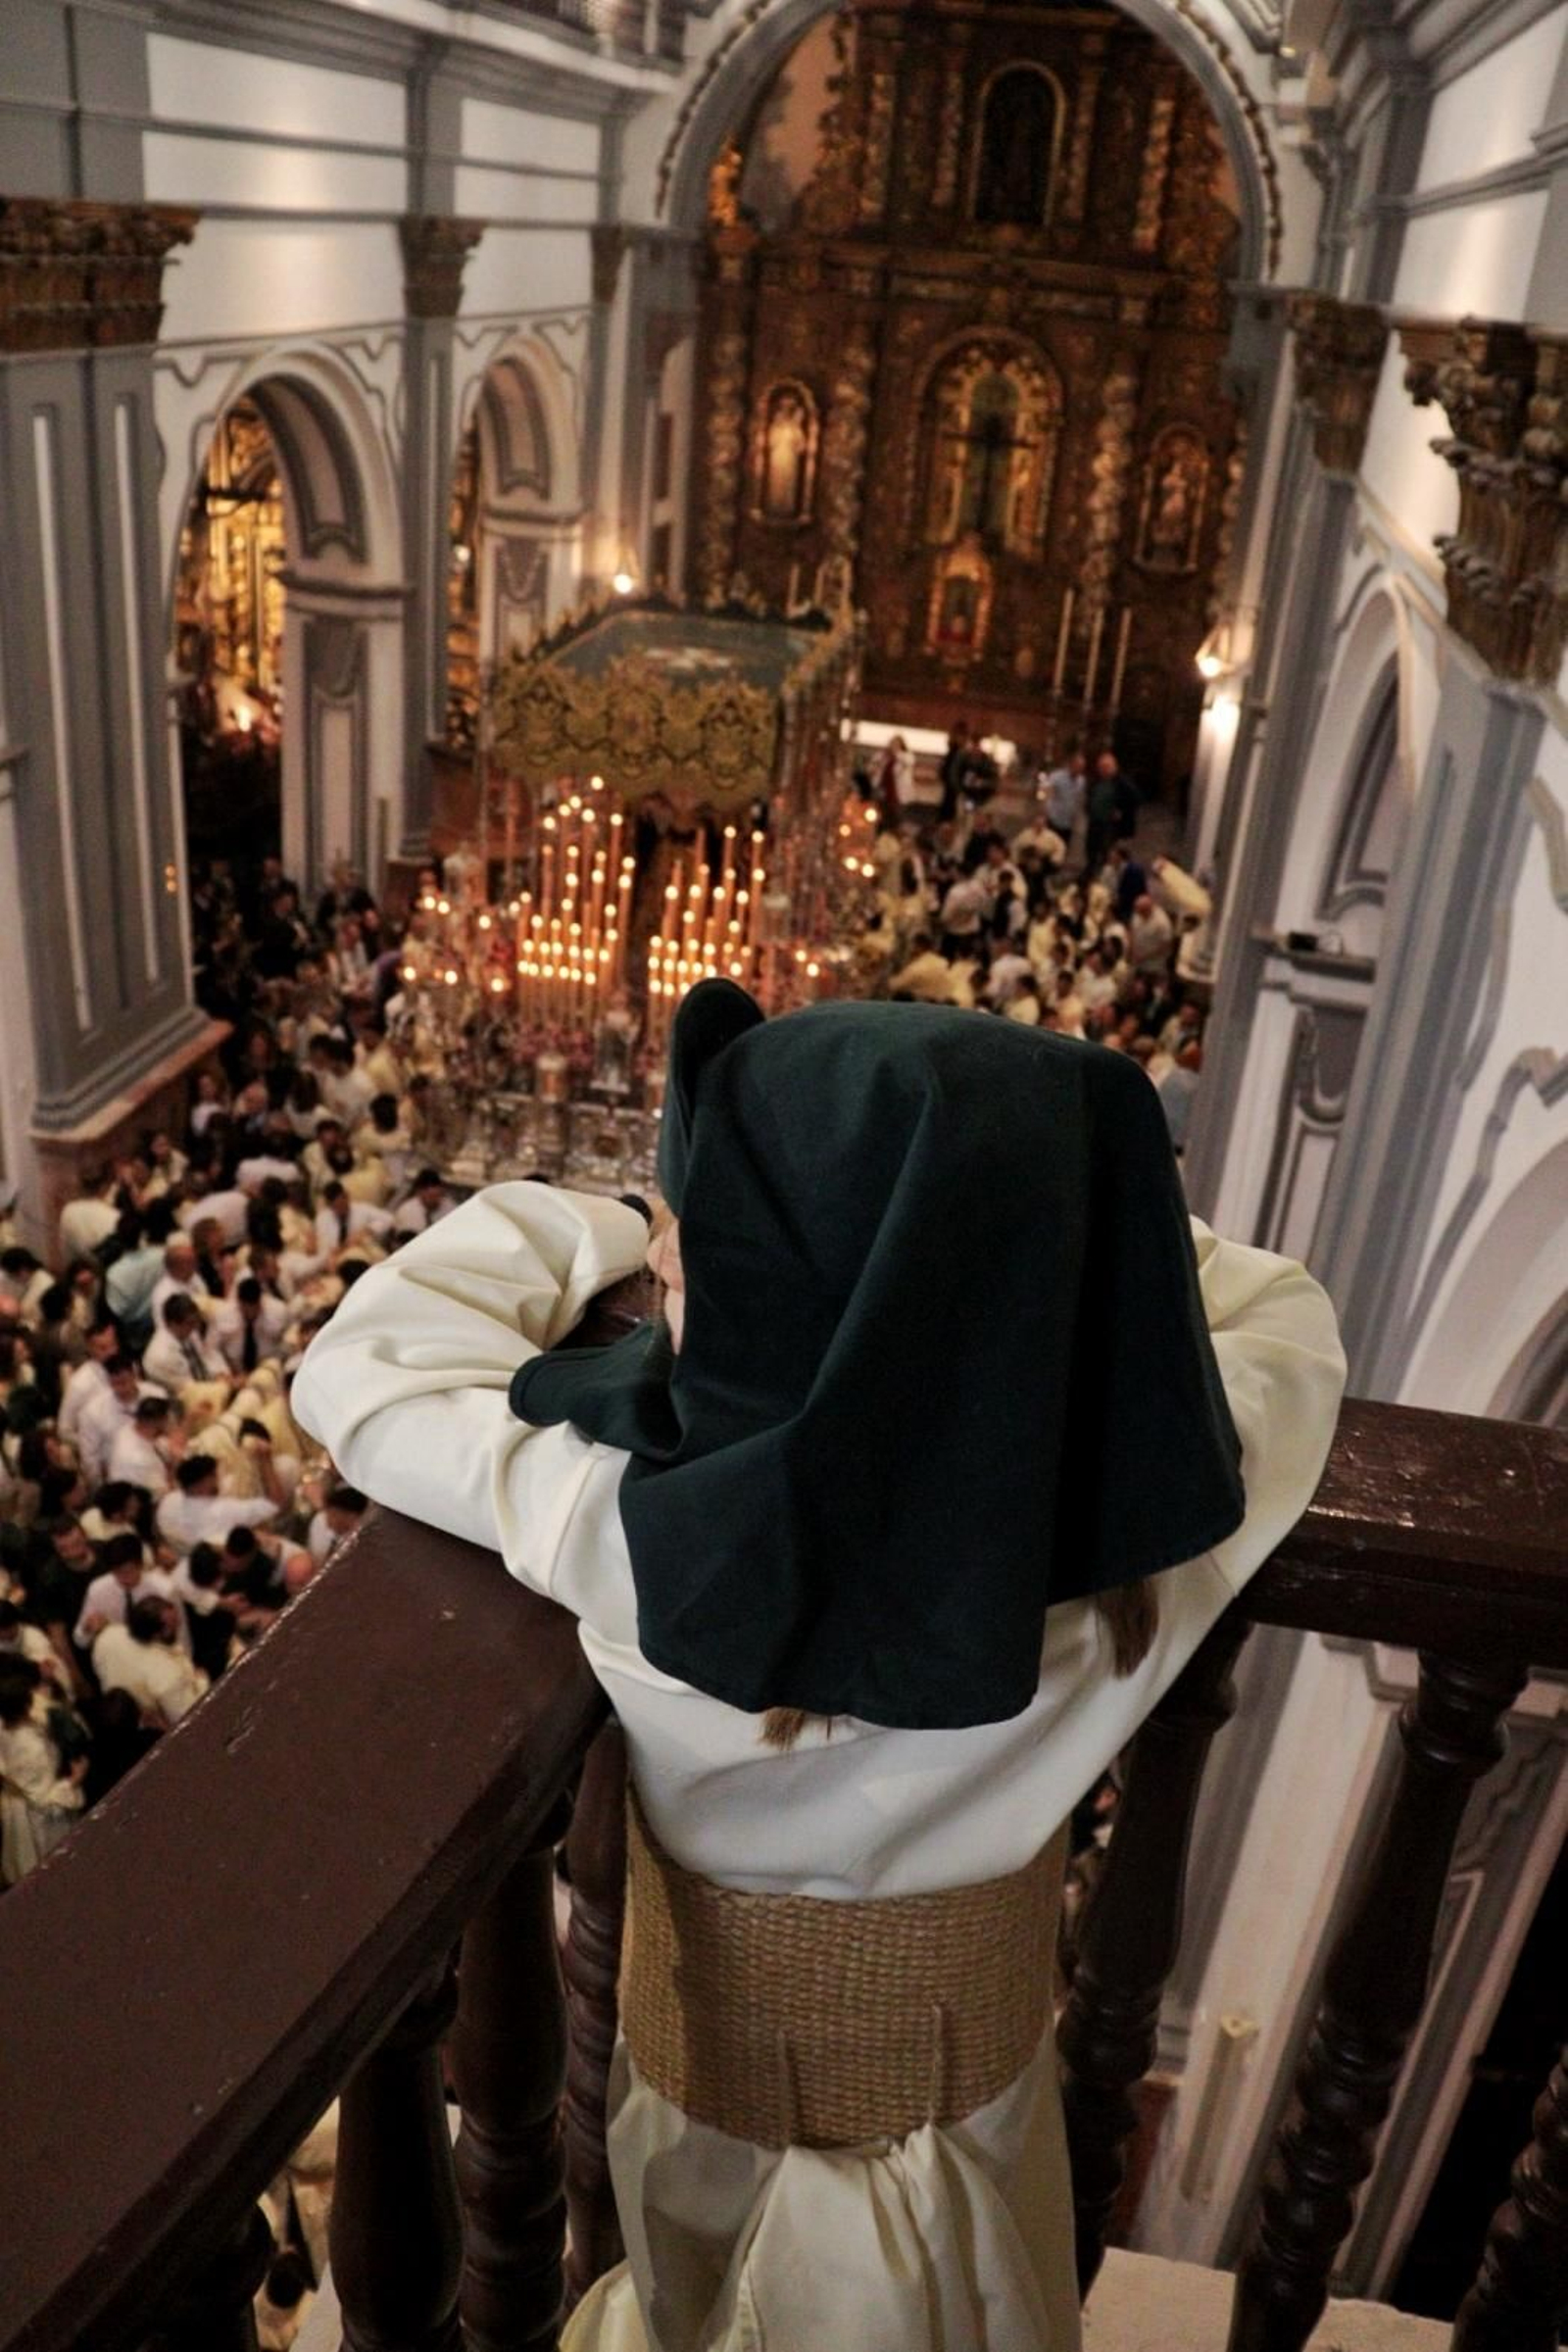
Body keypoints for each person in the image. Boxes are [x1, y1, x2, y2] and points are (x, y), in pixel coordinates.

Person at [293, 985, 1345, 2352]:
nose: (669, 1255)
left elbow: (365, 1364)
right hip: (975, 2106)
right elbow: (1281, 1311)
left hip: (702, 2091)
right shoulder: (1133, 1557)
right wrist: (1009, 1238)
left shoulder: (624, 1533)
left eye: (690, 1253)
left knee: (690, 2292)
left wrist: (604, 1219)